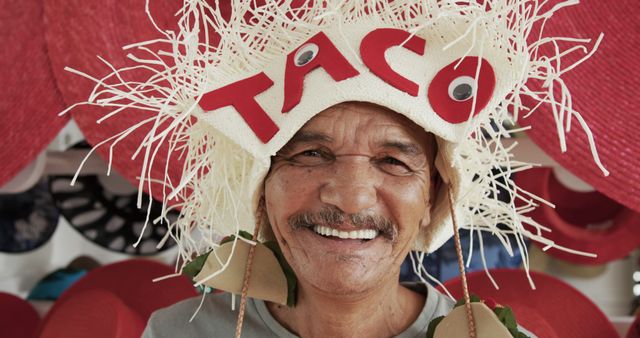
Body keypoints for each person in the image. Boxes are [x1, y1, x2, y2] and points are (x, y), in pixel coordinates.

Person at [64, 1, 604, 337]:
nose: (350, 197)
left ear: (434, 203)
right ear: (262, 194)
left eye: (394, 161)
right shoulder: (179, 334)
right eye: (311, 154)